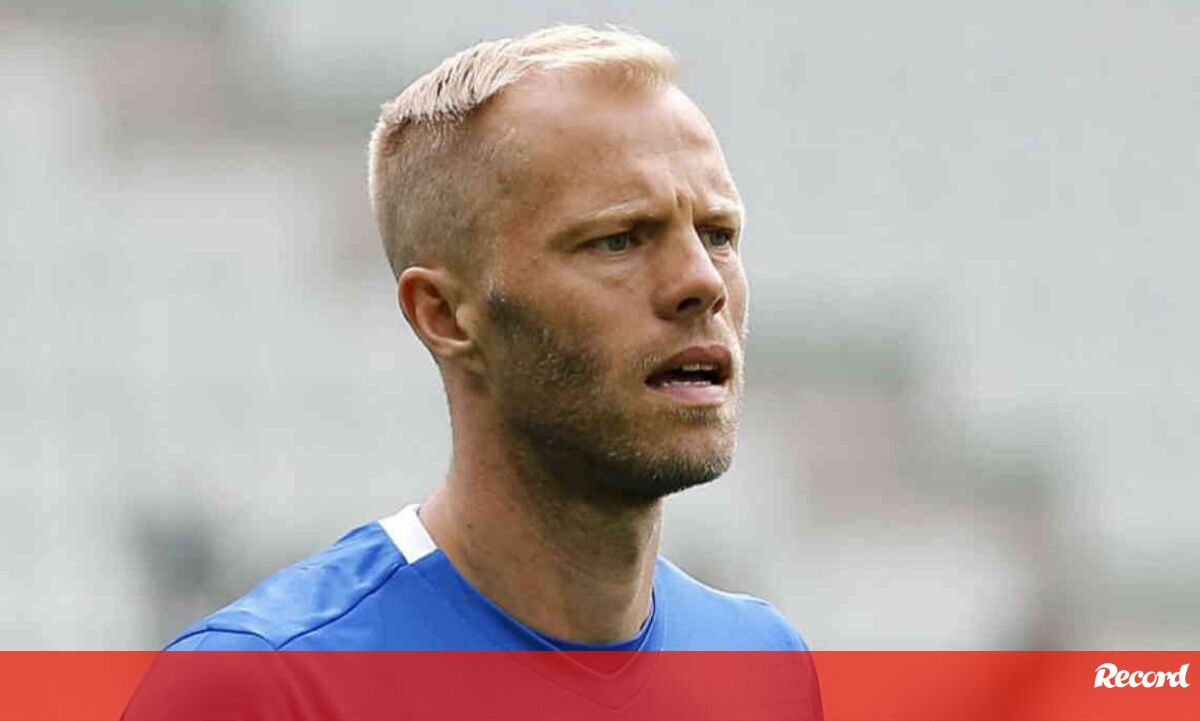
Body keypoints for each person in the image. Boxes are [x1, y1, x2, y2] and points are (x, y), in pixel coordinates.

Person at [125, 25, 821, 720]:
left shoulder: (759, 662)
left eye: (718, 234)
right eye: (618, 240)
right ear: (445, 315)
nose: (702, 282)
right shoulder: (261, 686)